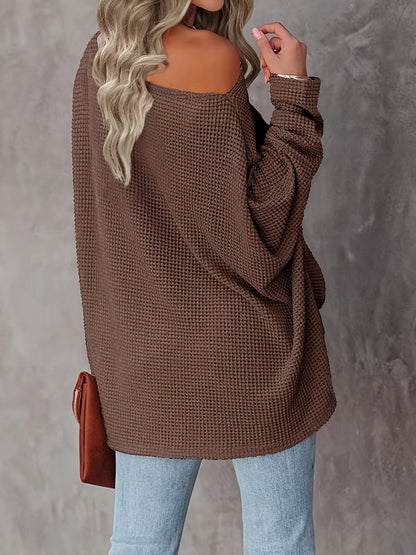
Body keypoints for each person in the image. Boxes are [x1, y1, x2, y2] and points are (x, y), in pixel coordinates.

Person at [71, 0, 337, 553]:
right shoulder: (212, 58)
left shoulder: (104, 55)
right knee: (280, 541)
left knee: (139, 541)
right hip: (248, 351)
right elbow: (260, 233)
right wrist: (293, 93)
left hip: (143, 358)